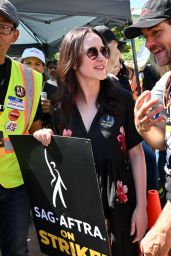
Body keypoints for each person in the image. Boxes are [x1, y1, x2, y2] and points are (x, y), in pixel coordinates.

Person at [33, 26, 147, 256]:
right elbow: (60, 162)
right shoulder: (60, 108)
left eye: (104, 50)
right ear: (73, 61)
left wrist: (141, 207)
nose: (102, 58)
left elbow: (136, 155)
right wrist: (45, 139)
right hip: (79, 208)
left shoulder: (122, 100)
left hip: (121, 204)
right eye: (92, 52)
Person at [124, 0, 171, 255]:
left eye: (157, 32)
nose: (150, 43)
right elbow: (163, 142)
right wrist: (144, 129)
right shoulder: (166, 84)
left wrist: (164, 227)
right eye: (146, 36)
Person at [0, 1, 43, 255]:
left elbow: (34, 129)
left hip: (15, 184)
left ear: (15, 35)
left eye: (3, 27)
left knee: (16, 250)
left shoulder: (30, 79)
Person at [21, 47, 58, 127]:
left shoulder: (55, 91)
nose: (32, 68)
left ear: (43, 68)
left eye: (37, 64)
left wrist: (52, 110)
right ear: (21, 65)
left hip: (45, 136)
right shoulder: (14, 87)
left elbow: (66, 118)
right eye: (28, 63)